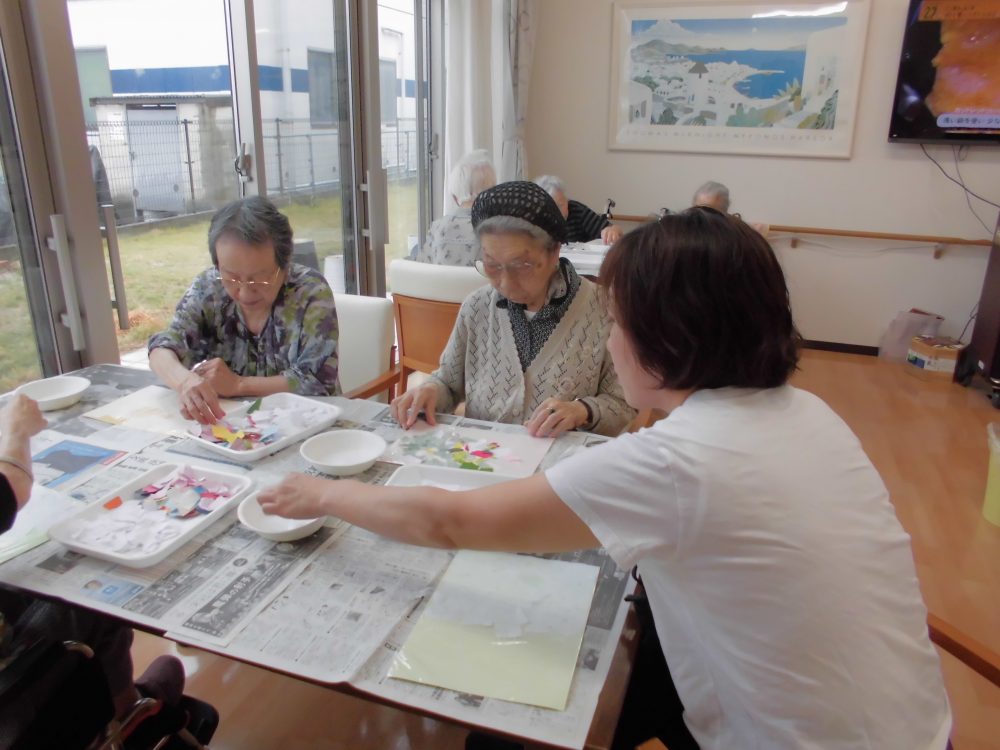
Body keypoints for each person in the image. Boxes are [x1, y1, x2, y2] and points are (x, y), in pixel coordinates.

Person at [259, 207, 951, 750]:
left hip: (788, 736)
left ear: (673, 335)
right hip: (913, 727)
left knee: (511, 708)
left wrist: (322, 492)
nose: (611, 337)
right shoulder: (809, 411)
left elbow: (449, 521)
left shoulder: (680, 459)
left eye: (619, 322)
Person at [391, 180, 634, 438]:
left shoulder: (603, 310)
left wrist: (583, 410)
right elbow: (447, 383)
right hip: (485, 456)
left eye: (522, 266)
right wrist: (430, 390)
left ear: (554, 252)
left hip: (564, 462)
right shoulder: (477, 308)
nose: (505, 283)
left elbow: (624, 406)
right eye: (492, 265)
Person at [0, 395, 185, 733]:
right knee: (92, 590)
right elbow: (11, 487)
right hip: (11, 694)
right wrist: (16, 431)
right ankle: (129, 716)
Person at [148, 196, 340, 425]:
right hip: (231, 425)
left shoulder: (310, 292)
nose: (245, 293)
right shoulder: (208, 288)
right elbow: (163, 347)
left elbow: (317, 381)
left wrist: (239, 384)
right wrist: (185, 382)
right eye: (231, 277)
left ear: (285, 264)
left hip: (306, 423)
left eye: (260, 279)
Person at [413, 150, 497, 266]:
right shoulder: (498, 229)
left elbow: (421, 267)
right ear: (491, 194)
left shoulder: (438, 228)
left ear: (455, 197)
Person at [534, 175, 623, 245]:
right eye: (553, 207)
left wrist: (612, 231)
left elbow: (615, 230)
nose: (559, 211)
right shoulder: (535, 217)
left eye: (562, 204)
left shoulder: (577, 210)